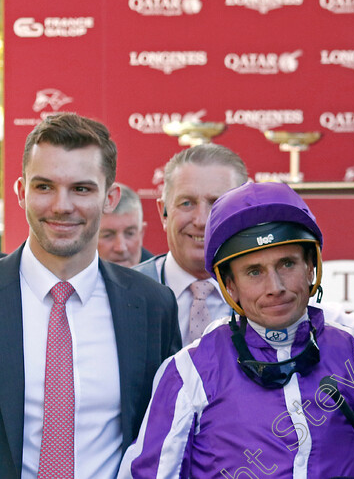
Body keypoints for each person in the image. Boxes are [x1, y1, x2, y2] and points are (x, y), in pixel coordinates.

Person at [119, 181, 354, 478]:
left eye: (287, 264)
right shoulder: (189, 372)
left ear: (311, 267)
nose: (275, 287)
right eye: (254, 272)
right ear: (230, 286)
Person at [0, 113, 181, 478]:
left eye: (81, 189)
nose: (62, 205)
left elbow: (167, 437)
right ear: (21, 192)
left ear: (109, 198)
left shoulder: (152, 306)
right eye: (44, 187)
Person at [134, 144, 248, 344]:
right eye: (187, 203)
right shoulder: (125, 293)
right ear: (164, 212)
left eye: (217, 203)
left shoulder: (267, 296)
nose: (201, 220)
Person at [98, 183, 153, 267]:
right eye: (107, 235)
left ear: (141, 233)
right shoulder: (72, 275)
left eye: (130, 233)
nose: (121, 248)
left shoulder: (159, 277)